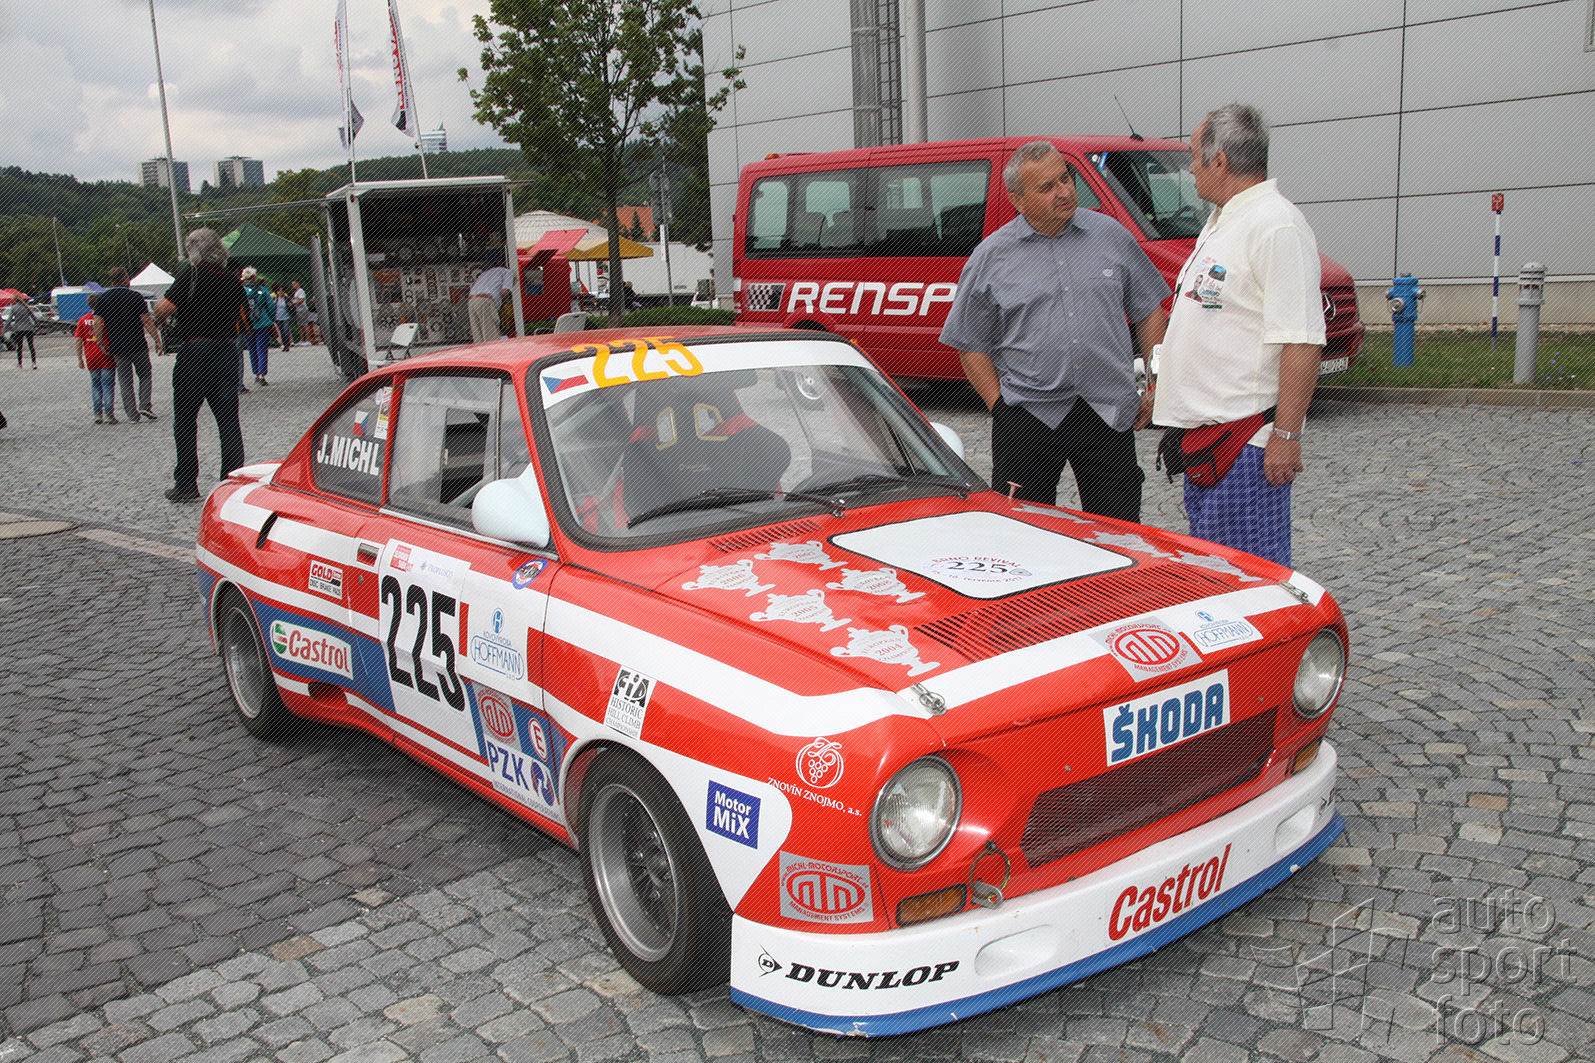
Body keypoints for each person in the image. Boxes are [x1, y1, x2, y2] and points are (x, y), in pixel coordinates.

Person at [940, 140, 1169, 521]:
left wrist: (1156, 382)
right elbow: (969, 342)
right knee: (1023, 532)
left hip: (1107, 412)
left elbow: (1148, 310)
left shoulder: (1111, 236)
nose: (1063, 191)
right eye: (1047, 187)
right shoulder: (991, 257)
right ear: (1017, 200)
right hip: (1028, 416)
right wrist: (1000, 407)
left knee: (1119, 532)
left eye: (1065, 178)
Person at [1150, 103, 1326, 568]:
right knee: (1214, 576)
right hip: (1208, 443)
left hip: (1245, 445)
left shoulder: (1276, 224)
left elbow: (1303, 339)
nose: (1190, 168)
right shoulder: (1224, 220)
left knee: (1247, 580)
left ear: (1220, 160)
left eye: (1193, 157)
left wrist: (1286, 435)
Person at [153, 227, 250, 503]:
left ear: (194, 250)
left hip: (195, 352)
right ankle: (231, 482)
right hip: (226, 352)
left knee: (185, 419)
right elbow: (243, 315)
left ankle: (186, 483)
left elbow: (163, 309)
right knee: (228, 421)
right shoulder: (232, 280)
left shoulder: (192, 274)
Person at [95, 267, 163, 421]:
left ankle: (132, 414)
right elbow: (146, 320)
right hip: (137, 343)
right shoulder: (135, 297)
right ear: (124, 279)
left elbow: (97, 322)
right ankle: (145, 405)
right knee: (145, 374)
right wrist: (157, 339)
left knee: (125, 380)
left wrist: (100, 342)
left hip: (117, 346)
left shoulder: (102, 298)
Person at [75, 296, 118, 423]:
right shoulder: (108, 318)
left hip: (91, 355)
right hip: (106, 354)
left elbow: (78, 339)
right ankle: (109, 414)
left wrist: (79, 358)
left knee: (96, 385)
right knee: (108, 385)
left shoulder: (84, 319)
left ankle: (97, 414)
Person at [241, 267, 276, 386]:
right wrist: (271, 319)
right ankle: (262, 374)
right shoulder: (262, 290)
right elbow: (271, 306)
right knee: (262, 348)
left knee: (252, 349)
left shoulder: (242, 290)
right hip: (263, 322)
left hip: (247, 324)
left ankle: (255, 372)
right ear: (254, 277)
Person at [467, 264, 514, 343]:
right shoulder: (507, 272)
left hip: (471, 300)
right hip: (486, 301)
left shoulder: (485, 273)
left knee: (478, 336)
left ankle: (481, 351)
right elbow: (504, 292)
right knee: (490, 336)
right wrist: (505, 303)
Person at [7, 300, 39, 367]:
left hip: (19, 329)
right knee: (31, 345)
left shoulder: (14, 308)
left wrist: (5, 329)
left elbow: (9, 320)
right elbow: (34, 318)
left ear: (15, 300)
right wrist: (36, 326)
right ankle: (34, 363)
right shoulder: (26, 307)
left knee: (19, 346)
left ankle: (20, 363)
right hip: (29, 328)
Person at [273, 283, 293, 349]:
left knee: (286, 331)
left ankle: (287, 345)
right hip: (278, 317)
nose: (281, 292)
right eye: (279, 291)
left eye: (282, 290)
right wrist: (274, 303)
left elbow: (292, 307)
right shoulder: (275, 298)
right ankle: (284, 344)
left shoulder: (287, 298)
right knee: (281, 332)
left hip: (286, 317)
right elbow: (271, 307)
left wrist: (290, 306)